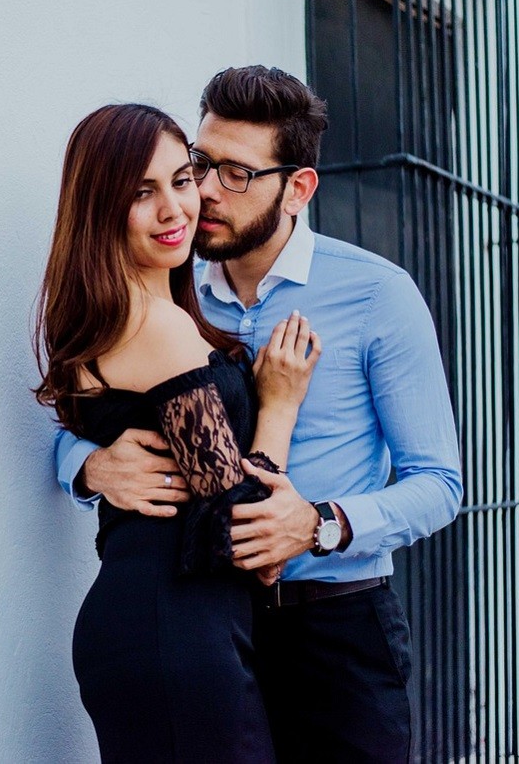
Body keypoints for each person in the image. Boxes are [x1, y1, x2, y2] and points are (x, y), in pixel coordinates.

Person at [55, 67, 463, 763]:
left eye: (236, 174)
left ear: (297, 187)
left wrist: (323, 522)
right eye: (202, 164)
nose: (207, 190)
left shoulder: (379, 295)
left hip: (335, 633)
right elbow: (76, 408)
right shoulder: (169, 287)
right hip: (203, 624)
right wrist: (88, 466)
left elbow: (440, 483)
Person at [34, 102, 321, 763]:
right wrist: (278, 406)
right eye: (141, 192)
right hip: (177, 632)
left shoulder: (116, 316)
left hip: (161, 627)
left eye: (181, 179)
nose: (175, 208)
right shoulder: (156, 327)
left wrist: (85, 463)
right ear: (101, 207)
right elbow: (241, 528)